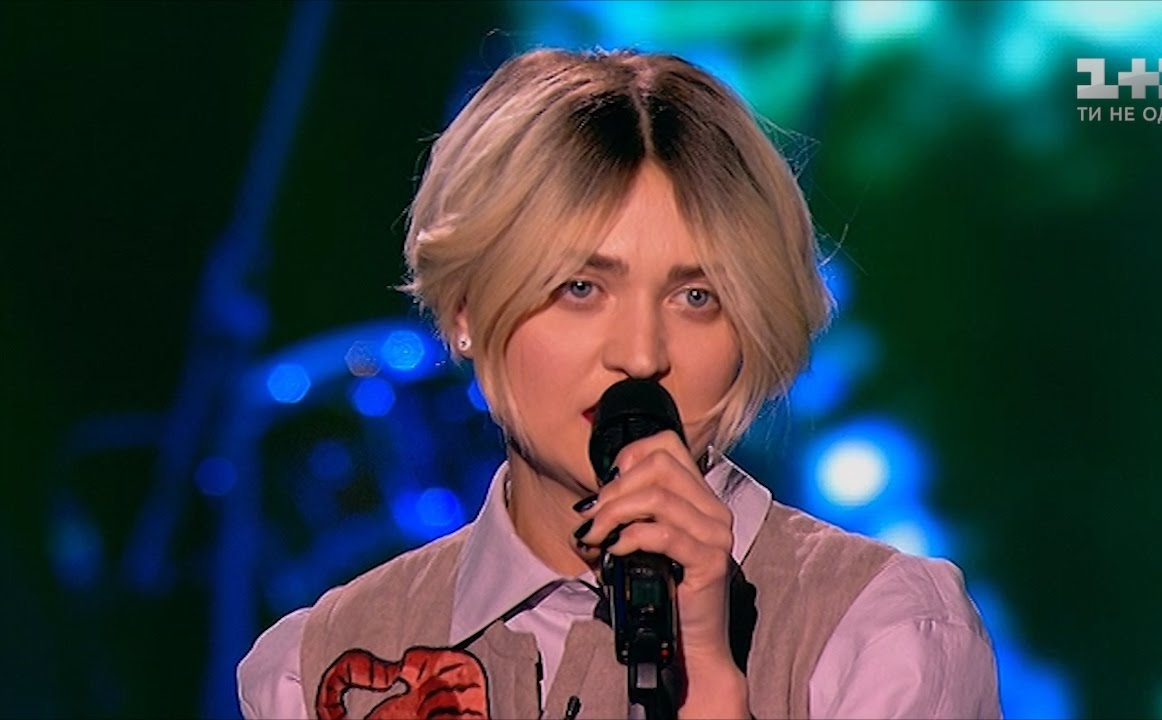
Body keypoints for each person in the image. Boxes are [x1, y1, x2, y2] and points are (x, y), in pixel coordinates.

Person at [237, 47, 1001, 719]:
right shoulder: (319, 670)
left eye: (696, 297)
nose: (640, 356)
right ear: (466, 309)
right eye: (581, 288)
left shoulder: (885, 634)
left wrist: (707, 676)